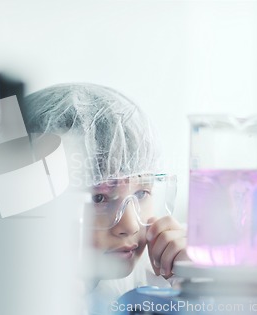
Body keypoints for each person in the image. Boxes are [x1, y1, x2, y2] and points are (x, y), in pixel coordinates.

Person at [20, 83, 190, 313]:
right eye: (98, 198)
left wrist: (196, 288)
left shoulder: (164, 271)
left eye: (141, 193)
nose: (129, 226)